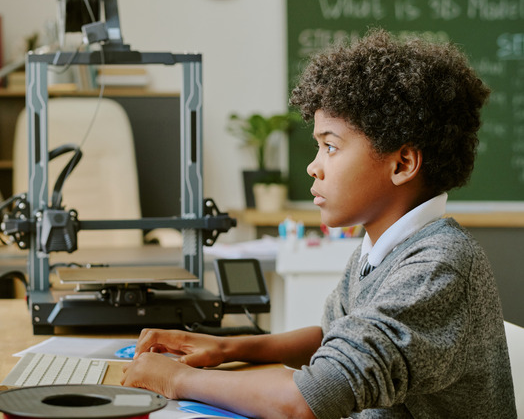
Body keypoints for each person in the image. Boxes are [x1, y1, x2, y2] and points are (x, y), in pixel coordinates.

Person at [120, 28, 517, 418]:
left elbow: (306, 401)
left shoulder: (437, 267)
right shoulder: (378, 251)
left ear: (402, 164)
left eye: (330, 146)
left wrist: (176, 379)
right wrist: (228, 348)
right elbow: (331, 338)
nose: (313, 166)